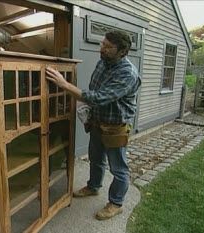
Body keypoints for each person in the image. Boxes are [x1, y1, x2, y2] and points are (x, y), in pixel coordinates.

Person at [46, 30, 141, 220]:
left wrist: (64, 85)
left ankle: (116, 203)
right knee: (96, 159)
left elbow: (98, 98)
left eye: (108, 47)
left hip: (115, 127)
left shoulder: (127, 73)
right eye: (102, 44)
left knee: (118, 169)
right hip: (97, 123)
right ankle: (93, 187)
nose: (102, 49)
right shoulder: (102, 62)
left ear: (122, 51)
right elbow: (92, 91)